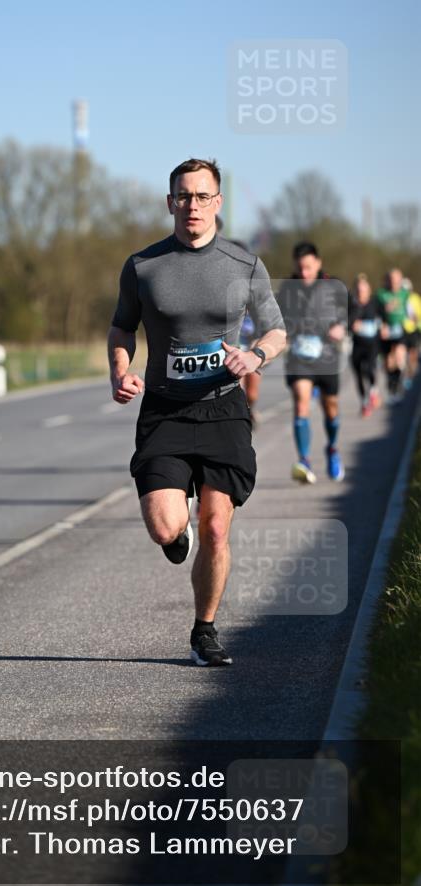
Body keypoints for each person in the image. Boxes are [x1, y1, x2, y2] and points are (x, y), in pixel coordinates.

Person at [107, 158, 286, 667]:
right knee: (167, 529)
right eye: (183, 196)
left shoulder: (244, 265)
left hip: (223, 409)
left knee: (216, 528)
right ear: (170, 203)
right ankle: (175, 529)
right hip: (164, 411)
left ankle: (204, 630)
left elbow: (275, 329)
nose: (193, 205)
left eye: (203, 196)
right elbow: (121, 328)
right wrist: (120, 370)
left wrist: (256, 356)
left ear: (218, 203)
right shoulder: (143, 266)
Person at [277, 243, 348, 485]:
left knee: (331, 408)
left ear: (318, 262)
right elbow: (275, 316)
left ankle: (332, 448)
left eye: (308, 267)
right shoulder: (288, 288)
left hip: (327, 357)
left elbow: (354, 309)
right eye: (300, 268)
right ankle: (304, 460)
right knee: (301, 404)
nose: (304, 273)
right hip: (299, 357)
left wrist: (342, 325)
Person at [348, 274, 381, 417]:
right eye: (359, 290)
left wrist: (383, 326)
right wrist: (352, 325)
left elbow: (384, 319)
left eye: (364, 290)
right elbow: (345, 324)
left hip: (372, 344)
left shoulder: (375, 303)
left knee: (369, 369)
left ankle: (373, 390)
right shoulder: (352, 305)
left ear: (369, 290)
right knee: (358, 374)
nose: (361, 293)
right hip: (357, 344)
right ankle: (364, 402)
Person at [376, 268, 409, 403]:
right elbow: (376, 312)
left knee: (400, 357)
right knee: (389, 362)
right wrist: (381, 325)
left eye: (397, 279)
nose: (394, 282)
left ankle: (398, 383)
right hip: (386, 331)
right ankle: (391, 386)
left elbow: (410, 310)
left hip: (400, 330)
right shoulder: (381, 294)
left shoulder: (405, 293)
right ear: (387, 280)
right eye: (391, 279)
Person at [401, 278, 421, 388]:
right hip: (402, 330)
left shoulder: (415, 299)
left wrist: (415, 318)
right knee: (403, 356)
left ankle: (411, 378)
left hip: (414, 331)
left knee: (413, 356)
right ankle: (406, 378)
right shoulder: (399, 298)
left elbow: (418, 316)